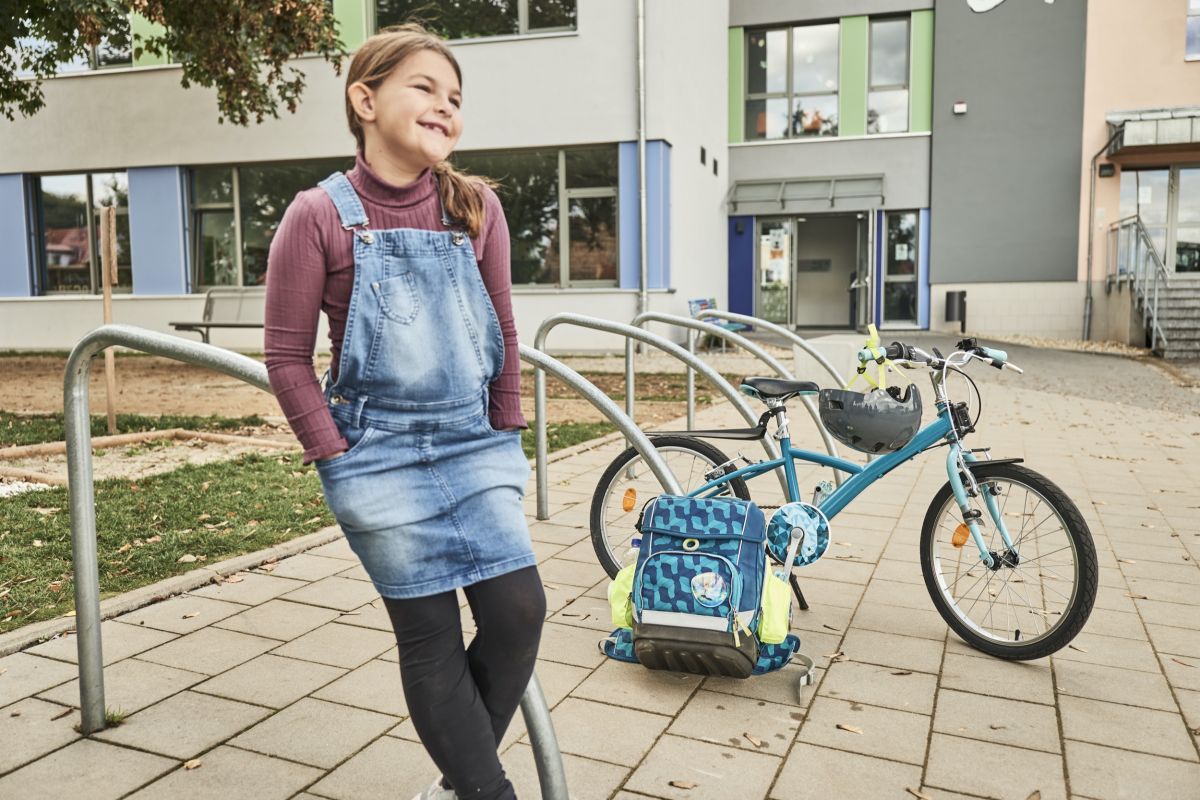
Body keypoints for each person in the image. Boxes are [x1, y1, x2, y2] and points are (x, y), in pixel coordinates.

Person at [263, 24, 545, 800]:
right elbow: (286, 358)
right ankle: (486, 790)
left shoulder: (476, 207)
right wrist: (334, 455)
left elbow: (503, 326)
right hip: (375, 453)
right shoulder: (317, 215)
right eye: (425, 87)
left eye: (455, 99)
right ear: (365, 99)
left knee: (520, 611)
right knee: (430, 638)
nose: (444, 107)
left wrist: (504, 423)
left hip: (471, 442)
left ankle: (462, 780)